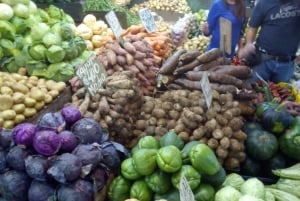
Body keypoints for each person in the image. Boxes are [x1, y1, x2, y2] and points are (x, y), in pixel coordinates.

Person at [238, 0, 300, 84]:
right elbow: (252, 28)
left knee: (282, 94)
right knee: (252, 91)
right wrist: (249, 43)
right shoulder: (264, 3)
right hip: (263, 61)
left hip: (286, 64)